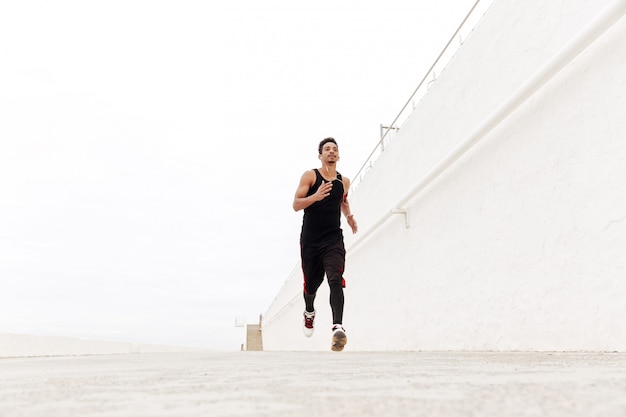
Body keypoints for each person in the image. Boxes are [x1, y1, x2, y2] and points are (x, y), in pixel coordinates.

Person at [292, 137, 358, 351]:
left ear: (338, 155)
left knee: (335, 278)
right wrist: (316, 196)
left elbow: (342, 200)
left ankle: (337, 327)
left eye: (335, 149)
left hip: (333, 239)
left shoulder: (343, 181)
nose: (331, 152)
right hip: (311, 242)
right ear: (320, 155)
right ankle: (309, 311)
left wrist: (348, 216)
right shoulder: (310, 176)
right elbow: (296, 204)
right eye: (327, 149)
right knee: (311, 286)